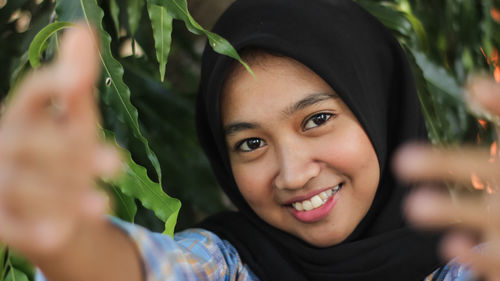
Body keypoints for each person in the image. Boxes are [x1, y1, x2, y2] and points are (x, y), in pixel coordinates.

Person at [0, 0, 499, 280]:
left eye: (316, 119)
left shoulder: (469, 261)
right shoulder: (232, 265)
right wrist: (70, 241)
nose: (293, 173)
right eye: (250, 144)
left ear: (382, 110)